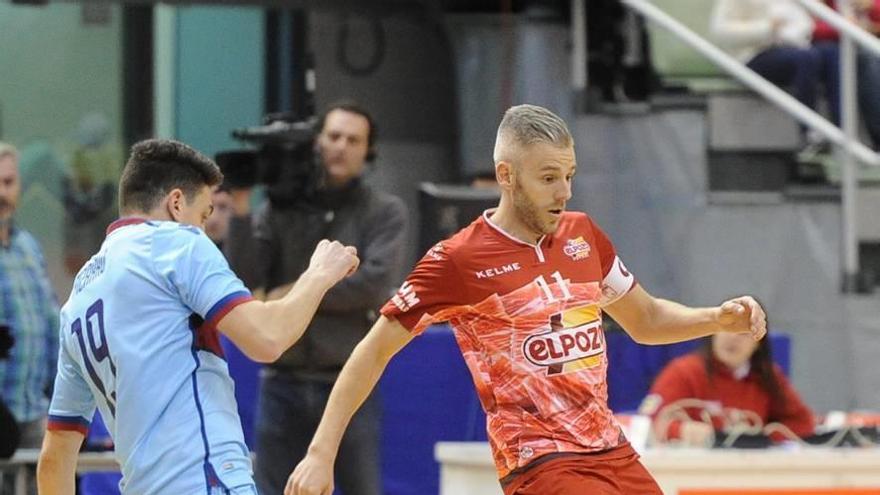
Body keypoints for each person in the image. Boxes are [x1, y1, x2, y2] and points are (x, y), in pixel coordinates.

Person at [288, 104, 768, 495]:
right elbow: (372, 352)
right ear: (506, 175)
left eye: (570, 175)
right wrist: (320, 453)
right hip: (541, 461)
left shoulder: (583, 235)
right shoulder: (457, 259)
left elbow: (644, 319)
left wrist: (716, 319)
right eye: (549, 178)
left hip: (611, 450)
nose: (564, 192)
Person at [37, 139, 360, 495]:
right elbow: (267, 339)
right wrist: (318, 276)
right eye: (204, 215)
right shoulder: (177, 242)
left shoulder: (77, 301)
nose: (204, 230)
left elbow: (56, 455)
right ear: (176, 203)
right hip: (205, 480)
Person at [225, 101, 407, 495]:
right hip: (282, 381)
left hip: (348, 381)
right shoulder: (279, 209)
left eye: (353, 140)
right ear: (317, 142)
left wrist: (295, 292)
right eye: (334, 136)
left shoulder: (384, 211)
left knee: (361, 489)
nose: (341, 146)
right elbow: (247, 281)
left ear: (368, 151)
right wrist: (240, 210)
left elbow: (373, 287)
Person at [642, 333, 815, 447]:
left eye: (744, 333)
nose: (733, 338)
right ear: (713, 333)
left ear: (758, 343)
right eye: (726, 327)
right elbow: (647, 425)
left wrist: (758, 440)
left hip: (749, 470)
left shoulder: (768, 376)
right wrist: (682, 431)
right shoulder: (683, 372)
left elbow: (802, 423)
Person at [710, 0, 835, 155]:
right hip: (751, 55)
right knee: (807, 58)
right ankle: (809, 133)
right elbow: (720, 31)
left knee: (833, 54)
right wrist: (766, 28)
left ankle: (843, 132)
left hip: (791, 46)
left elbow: (803, 22)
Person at [0, 142, 60, 450]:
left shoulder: (29, 247)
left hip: (35, 411)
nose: (2, 193)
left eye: (8, 182)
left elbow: (51, 322)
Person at [813, 0, 880, 149]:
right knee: (867, 58)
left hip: (863, 41)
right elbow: (810, 25)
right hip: (834, 45)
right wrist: (845, 26)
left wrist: (872, 7)